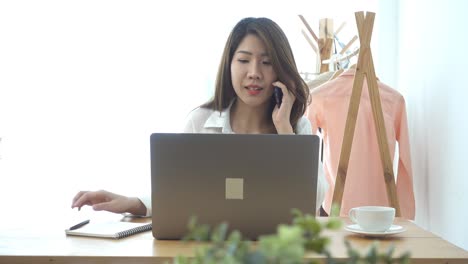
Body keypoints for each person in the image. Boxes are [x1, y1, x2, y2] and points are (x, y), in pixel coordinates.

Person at [71, 17, 327, 217]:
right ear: (229, 65)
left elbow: (313, 202)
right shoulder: (200, 121)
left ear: (281, 69)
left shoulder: (296, 128)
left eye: (267, 63)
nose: (254, 73)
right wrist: (132, 203)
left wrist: (284, 129)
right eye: (243, 60)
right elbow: (179, 195)